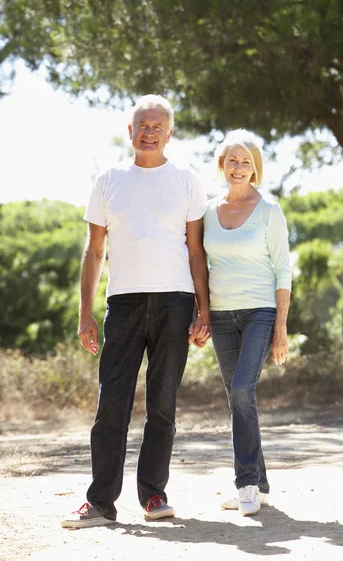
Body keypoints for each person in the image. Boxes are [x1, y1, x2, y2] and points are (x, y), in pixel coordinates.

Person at [62, 94, 210, 528]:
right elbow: (94, 251)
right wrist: (84, 313)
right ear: (130, 132)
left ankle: (153, 495)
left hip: (176, 301)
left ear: (169, 134)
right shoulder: (108, 180)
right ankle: (101, 502)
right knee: (112, 403)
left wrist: (204, 309)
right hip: (123, 304)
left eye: (157, 126)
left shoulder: (187, 180)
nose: (148, 132)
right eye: (141, 125)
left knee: (163, 405)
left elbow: (196, 251)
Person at [203, 129, 291, 516]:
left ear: (255, 168)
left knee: (241, 390)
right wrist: (200, 312)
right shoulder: (207, 211)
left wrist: (281, 327)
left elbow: (283, 271)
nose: (238, 168)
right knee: (238, 398)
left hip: (260, 311)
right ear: (222, 165)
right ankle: (261, 483)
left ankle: (246, 484)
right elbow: (200, 266)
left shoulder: (269, 210)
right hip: (221, 314)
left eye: (246, 162)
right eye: (232, 160)